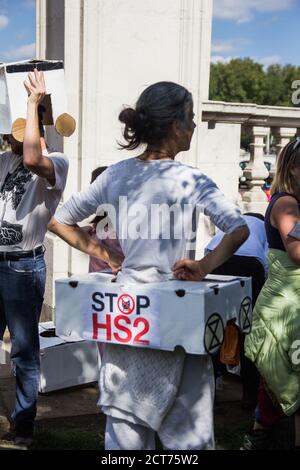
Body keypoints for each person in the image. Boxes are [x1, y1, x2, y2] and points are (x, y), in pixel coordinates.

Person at [48, 81, 249, 450]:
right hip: (178, 317)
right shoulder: (191, 180)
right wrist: (204, 266)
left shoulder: (115, 175)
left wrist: (107, 254)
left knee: (126, 433)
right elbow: (238, 229)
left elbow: (57, 220)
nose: (194, 126)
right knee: (187, 437)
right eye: (190, 118)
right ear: (174, 125)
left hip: (129, 317)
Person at [0, 69, 69, 446]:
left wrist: (33, 103)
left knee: (24, 350)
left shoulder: (57, 161)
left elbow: (31, 157)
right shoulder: (3, 160)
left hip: (22, 267)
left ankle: (23, 426)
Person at [242, 137, 300, 450]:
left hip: (290, 304)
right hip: (287, 306)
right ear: (294, 168)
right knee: (290, 379)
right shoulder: (287, 204)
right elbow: (297, 251)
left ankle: (259, 433)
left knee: (283, 380)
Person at [205, 213, 268, 410]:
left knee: (214, 327)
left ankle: (209, 393)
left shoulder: (233, 223)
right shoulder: (264, 226)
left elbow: (208, 249)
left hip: (218, 259)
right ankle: (249, 396)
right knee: (247, 329)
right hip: (252, 264)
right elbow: (266, 261)